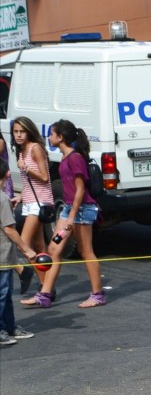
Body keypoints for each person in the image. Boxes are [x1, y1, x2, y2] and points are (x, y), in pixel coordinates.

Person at [21, 119, 106, 308]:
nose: (49, 137)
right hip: (69, 210)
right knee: (54, 250)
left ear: (60, 137)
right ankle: (45, 294)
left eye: (52, 134)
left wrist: (71, 217)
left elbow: (80, 190)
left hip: (82, 211)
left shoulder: (75, 158)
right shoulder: (65, 158)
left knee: (86, 251)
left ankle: (98, 294)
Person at [11, 117, 54, 295]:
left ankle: (36, 282)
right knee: (38, 248)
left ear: (29, 131)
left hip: (40, 202)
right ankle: (46, 289)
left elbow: (44, 177)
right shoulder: (21, 150)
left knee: (23, 244)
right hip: (29, 201)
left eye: (22, 131)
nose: (19, 135)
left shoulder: (35, 148)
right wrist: (21, 196)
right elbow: (30, 183)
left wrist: (26, 168)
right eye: (16, 132)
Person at [1, 159, 40, 345]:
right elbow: (9, 229)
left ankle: (10, 327)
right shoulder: (2, 199)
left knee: (6, 293)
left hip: (5, 255)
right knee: (2, 293)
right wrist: (27, 250)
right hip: (2, 255)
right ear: (8, 175)